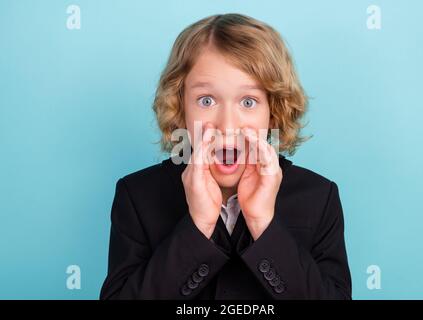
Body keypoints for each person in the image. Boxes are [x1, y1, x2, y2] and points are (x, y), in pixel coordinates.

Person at [100, 13, 351, 300]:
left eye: (248, 101)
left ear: (274, 111)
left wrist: (263, 224)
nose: (228, 126)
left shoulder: (319, 198)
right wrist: (198, 227)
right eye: (206, 100)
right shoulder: (137, 196)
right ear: (181, 107)